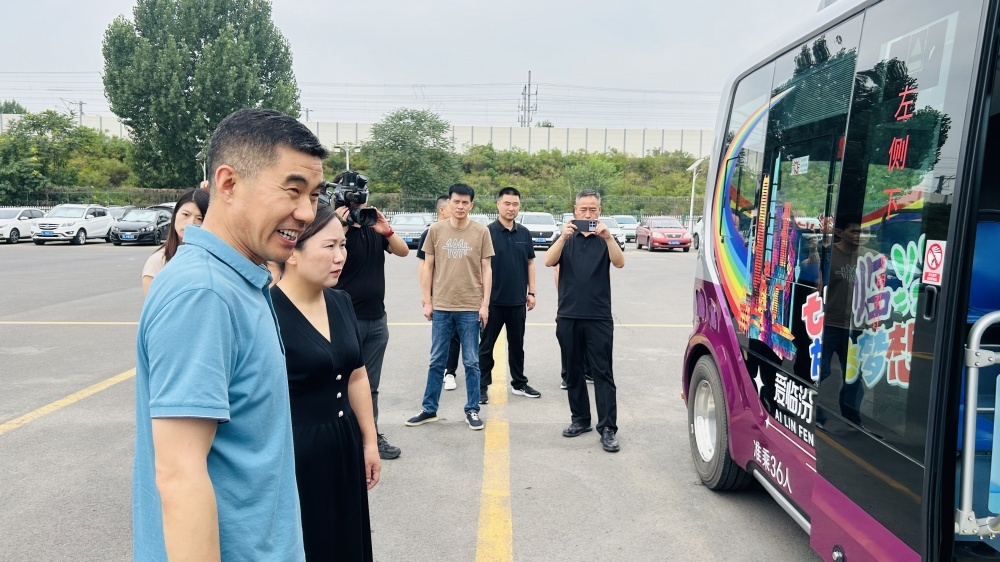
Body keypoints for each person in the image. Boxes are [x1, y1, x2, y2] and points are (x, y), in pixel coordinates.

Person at [133, 108, 327, 561]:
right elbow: (179, 474)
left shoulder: (239, 280)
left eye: (315, 195)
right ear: (228, 183)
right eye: (293, 190)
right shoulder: (204, 293)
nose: (306, 213)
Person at [271, 204, 380, 561]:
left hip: (343, 442)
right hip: (293, 452)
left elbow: (357, 376)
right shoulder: (266, 311)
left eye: (342, 245)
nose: (340, 257)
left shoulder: (341, 301)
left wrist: (369, 442)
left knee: (346, 540)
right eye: (329, 246)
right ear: (292, 253)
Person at [331, 171, 410, 461]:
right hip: (342, 318)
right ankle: (340, 439)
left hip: (376, 319)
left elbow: (403, 251)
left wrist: (386, 230)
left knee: (369, 385)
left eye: (360, 198)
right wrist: (339, 226)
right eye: (351, 198)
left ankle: (370, 437)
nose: (357, 204)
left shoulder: (371, 225)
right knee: (336, 383)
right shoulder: (331, 231)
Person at [407, 184, 495, 430]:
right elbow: (428, 267)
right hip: (442, 306)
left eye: (465, 202)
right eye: (456, 201)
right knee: (437, 360)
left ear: (471, 205)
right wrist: (427, 300)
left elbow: (487, 269)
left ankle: (472, 409)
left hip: (470, 306)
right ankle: (429, 408)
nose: (460, 206)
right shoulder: (435, 231)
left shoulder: (481, 232)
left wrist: (485, 304)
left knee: (472, 361)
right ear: (448, 204)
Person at [545, 189, 625, 453]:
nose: (588, 214)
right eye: (583, 209)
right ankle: (580, 419)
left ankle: (608, 428)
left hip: (598, 315)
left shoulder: (606, 238)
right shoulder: (566, 237)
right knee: (573, 370)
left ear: (599, 211)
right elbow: (548, 261)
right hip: (568, 314)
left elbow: (619, 262)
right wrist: (563, 236)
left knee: (603, 372)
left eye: (593, 209)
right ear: (575, 210)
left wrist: (608, 237)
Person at [478, 187, 540, 403]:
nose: (511, 208)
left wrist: (531, 292)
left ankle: (519, 383)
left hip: (517, 302)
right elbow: (480, 267)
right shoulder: (487, 232)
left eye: (515, 204)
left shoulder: (524, 233)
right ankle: (481, 385)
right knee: (486, 347)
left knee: (517, 346)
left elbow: (530, 263)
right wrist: (482, 301)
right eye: (507, 203)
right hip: (492, 302)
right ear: (498, 205)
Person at [417, 194, 462, 389]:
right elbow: (423, 266)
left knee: (456, 336)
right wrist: (427, 296)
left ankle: (450, 372)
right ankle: (441, 370)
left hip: (460, 295)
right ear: (443, 210)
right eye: (453, 205)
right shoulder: (431, 233)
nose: (458, 208)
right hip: (439, 295)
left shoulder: (461, 232)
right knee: (442, 336)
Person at [141, 188, 209, 295]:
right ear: (175, 214)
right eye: (186, 215)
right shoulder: (159, 261)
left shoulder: (211, 261)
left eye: (199, 218)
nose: (191, 223)